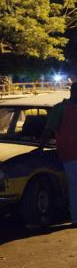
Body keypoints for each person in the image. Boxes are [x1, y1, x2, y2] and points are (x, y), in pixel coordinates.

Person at [38, 83, 77, 225]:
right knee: (75, 187)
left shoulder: (61, 108)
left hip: (70, 154)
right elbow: (49, 130)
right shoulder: (60, 109)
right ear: (72, 92)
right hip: (71, 153)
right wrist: (41, 148)